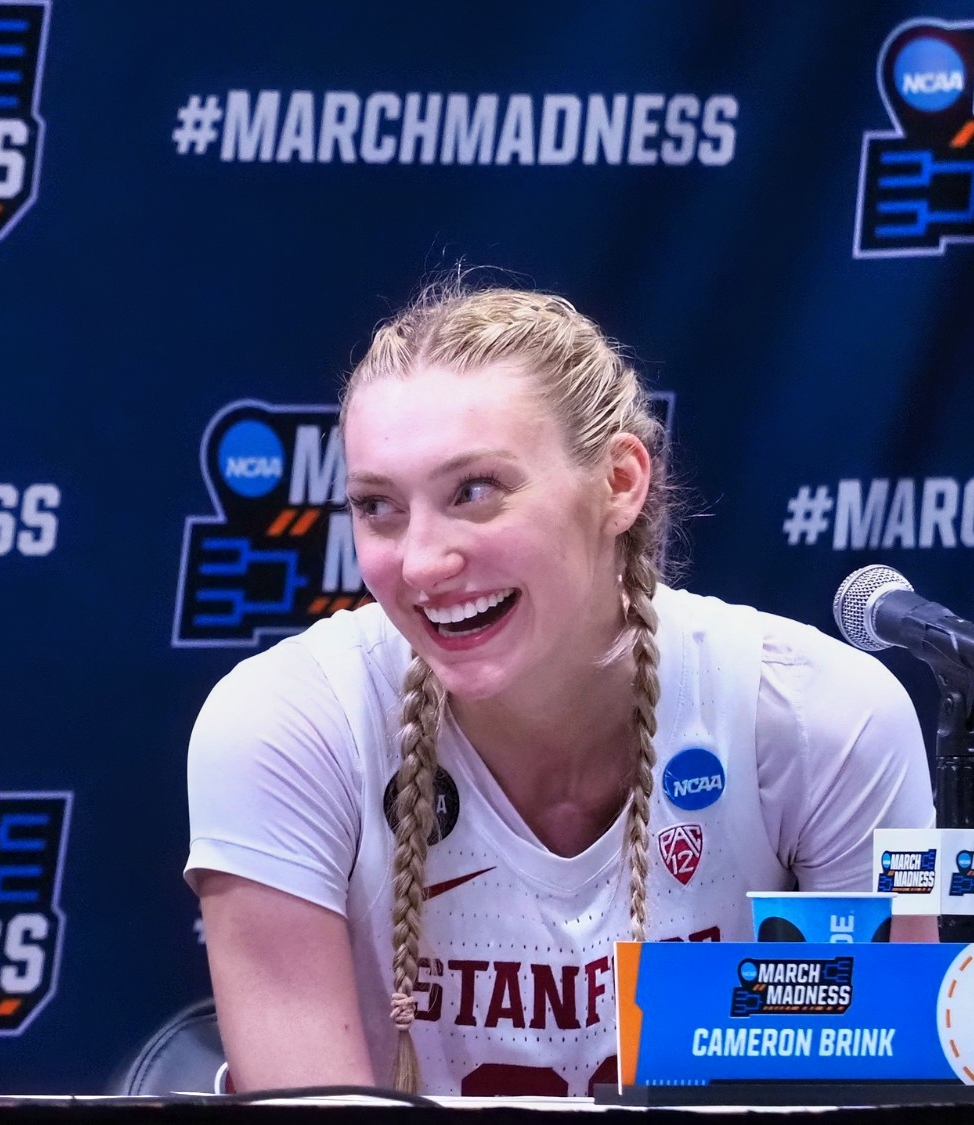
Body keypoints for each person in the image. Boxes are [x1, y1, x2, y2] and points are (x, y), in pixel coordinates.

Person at [185, 281, 932, 1097]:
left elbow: (885, 1072)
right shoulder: (282, 726)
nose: (422, 561)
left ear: (619, 481)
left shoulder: (830, 716)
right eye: (378, 506)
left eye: (475, 490)